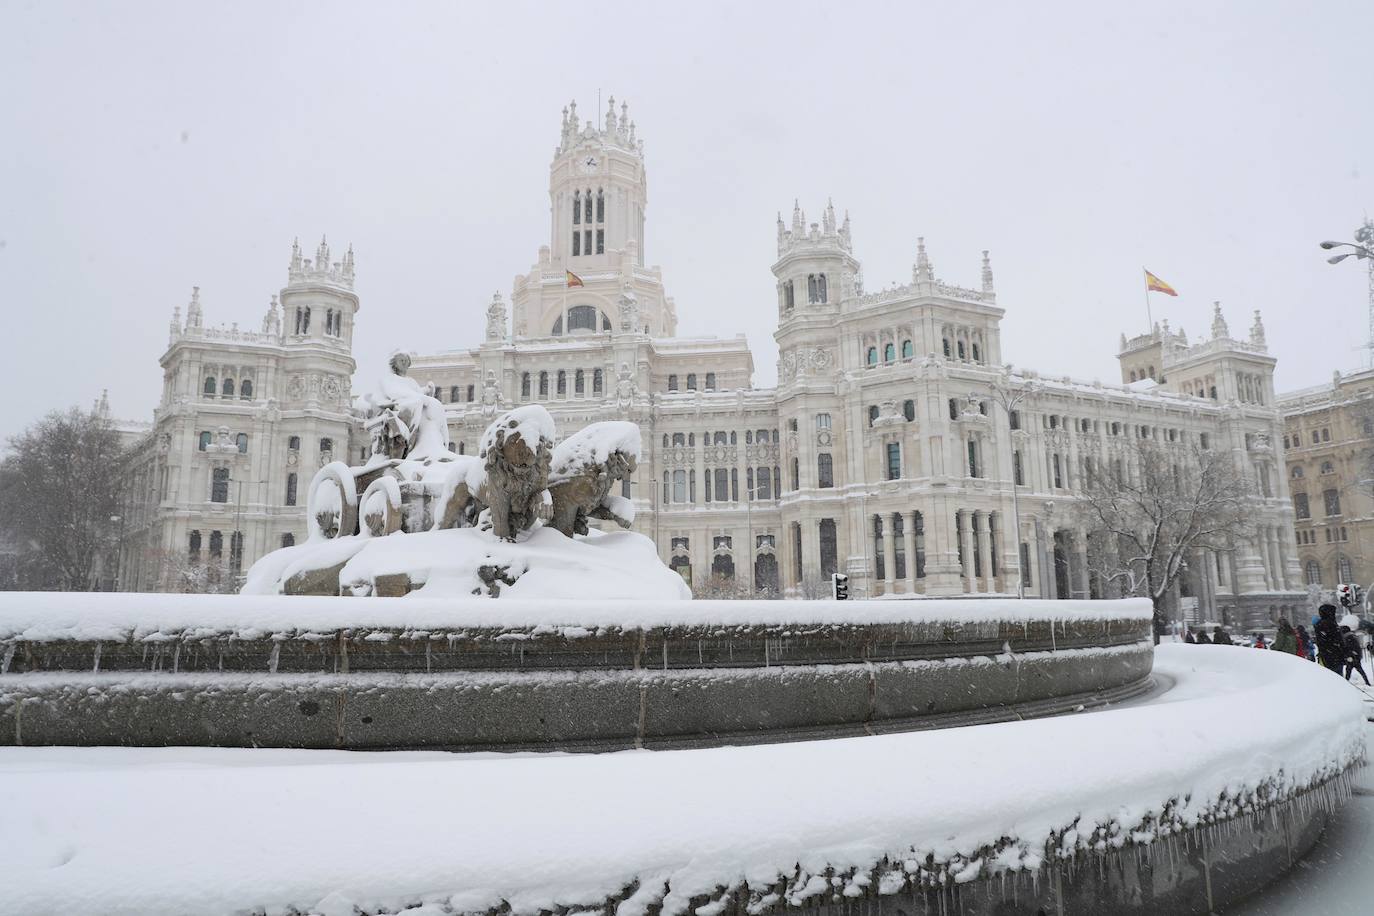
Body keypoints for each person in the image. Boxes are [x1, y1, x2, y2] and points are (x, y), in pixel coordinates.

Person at [1315, 604, 1345, 673]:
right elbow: (1338, 640)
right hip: (1334, 656)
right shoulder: (1331, 624)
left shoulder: (1320, 624)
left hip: (1328, 656)